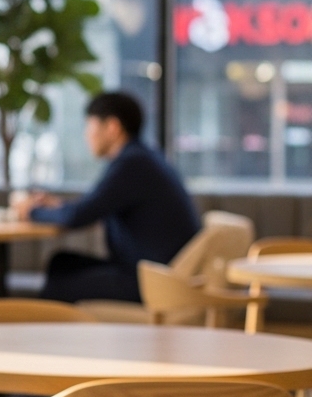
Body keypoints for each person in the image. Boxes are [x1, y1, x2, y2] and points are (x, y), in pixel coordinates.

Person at [15, 92, 199, 303]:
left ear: (112, 127)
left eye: (90, 125)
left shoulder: (133, 164)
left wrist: (31, 211)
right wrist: (56, 206)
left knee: (60, 284)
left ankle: (41, 324)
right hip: (148, 272)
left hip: (151, 282)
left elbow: (77, 216)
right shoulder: (141, 157)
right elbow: (92, 206)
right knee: (61, 263)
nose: (86, 134)